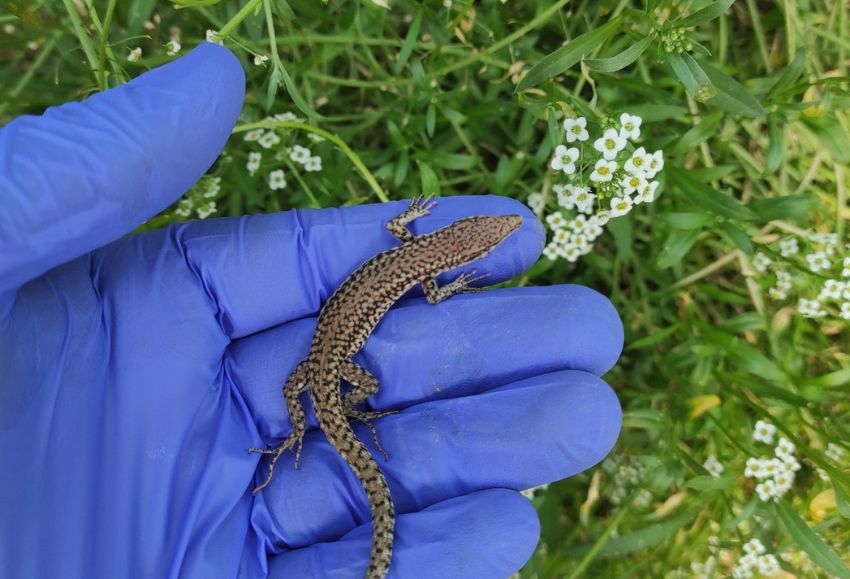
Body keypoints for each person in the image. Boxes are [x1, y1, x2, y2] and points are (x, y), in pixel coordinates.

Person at [0, 43, 624, 577]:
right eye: (485, 237)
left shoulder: (427, 248)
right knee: (372, 393)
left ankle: (300, 440)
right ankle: (312, 442)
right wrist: (450, 290)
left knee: (334, 408)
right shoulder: (434, 268)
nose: (488, 235)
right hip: (329, 366)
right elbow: (429, 291)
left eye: (485, 236)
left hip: (323, 362)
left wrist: (405, 219)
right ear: (465, 247)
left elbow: (405, 244)